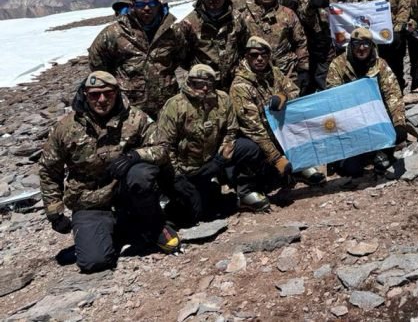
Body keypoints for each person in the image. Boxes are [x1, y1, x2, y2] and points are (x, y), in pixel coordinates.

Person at [39, 71, 178, 273]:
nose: (101, 100)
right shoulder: (66, 128)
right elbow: (49, 169)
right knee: (94, 262)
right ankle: (116, 233)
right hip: (89, 200)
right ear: (85, 94)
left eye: (107, 93)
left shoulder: (136, 118)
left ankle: (152, 225)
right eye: (95, 94)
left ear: (116, 92)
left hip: (126, 195)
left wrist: (135, 156)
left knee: (141, 174)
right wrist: (54, 211)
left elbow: (163, 148)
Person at [156, 64, 270, 222]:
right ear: (189, 83)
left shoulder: (222, 99)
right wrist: (177, 177)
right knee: (195, 215)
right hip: (186, 169)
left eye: (208, 84)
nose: (204, 88)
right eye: (198, 84)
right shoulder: (174, 105)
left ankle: (245, 191)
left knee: (250, 148)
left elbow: (231, 130)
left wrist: (221, 158)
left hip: (214, 159)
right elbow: (165, 146)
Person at [229, 37, 324, 188]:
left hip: (278, 131)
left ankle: (300, 166)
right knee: (267, 173)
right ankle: (247, 189)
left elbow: (294, 91)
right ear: (246, 56)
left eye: (264, 55)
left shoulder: (274, 73)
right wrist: (275, 158)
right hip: (258, 139)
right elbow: (254, 130)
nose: (259, 59)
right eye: (254, 55)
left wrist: (283, 97)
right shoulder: (240, 86)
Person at [88, 0, 187, 119]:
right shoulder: (114, 33)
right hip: (129, 109)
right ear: (133, 6)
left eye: (151, 4)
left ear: (159, 5)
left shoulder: (173, 32)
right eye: (141, 4)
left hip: (167, 105)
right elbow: (97, 63)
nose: (146, 8)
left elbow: (180, 57)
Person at [325, 28, 407, 175]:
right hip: (349, 121)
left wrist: (399, 123)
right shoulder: (338, 65)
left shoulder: (380, 64)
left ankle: (383, 152)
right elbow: (333, 98)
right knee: (351, 170)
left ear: (372, 46)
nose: (362, 48)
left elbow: (392, 94)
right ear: (351, 45)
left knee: (392, 121)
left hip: (376, 117)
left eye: (366, 44)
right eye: (357, 44)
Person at [238, 0, 310, 92]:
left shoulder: (288, 14)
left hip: (287, 72)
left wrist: (303, 68)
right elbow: (237, 46)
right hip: (256, 74)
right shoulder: (244, 16)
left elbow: (300, 42)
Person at [276, 0, 333, 93]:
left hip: (316, 41)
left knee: (323, 80)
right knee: (300, 85)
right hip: (290, 44)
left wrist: (318, 2)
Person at [179, 0, 243, 88]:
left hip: (233, 83)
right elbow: (182, 56)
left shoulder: (236, 19)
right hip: (203, 86)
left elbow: (244, 46)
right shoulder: (190, 22)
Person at [361, 0, 410, 91]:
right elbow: (363, 5)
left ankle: (397, 89)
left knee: (395, 61)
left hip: (394, 31)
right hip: (372, 31)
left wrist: (396, 28)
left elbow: (404, 7)